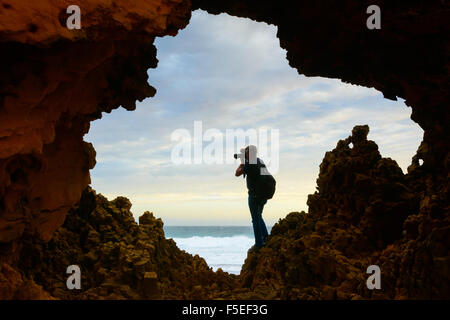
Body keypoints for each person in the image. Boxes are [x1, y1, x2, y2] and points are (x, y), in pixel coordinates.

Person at [235, 145, 269, 253]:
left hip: (254, 196)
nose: (245, 154)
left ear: (249, 153)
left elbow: (237, 173)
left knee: (255, 219)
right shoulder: (260, 161)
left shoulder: (249, 163)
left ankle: (259, 244)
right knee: (259, 216)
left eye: (246, 152)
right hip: (263, 194)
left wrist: (242, 163)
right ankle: (266, 237)